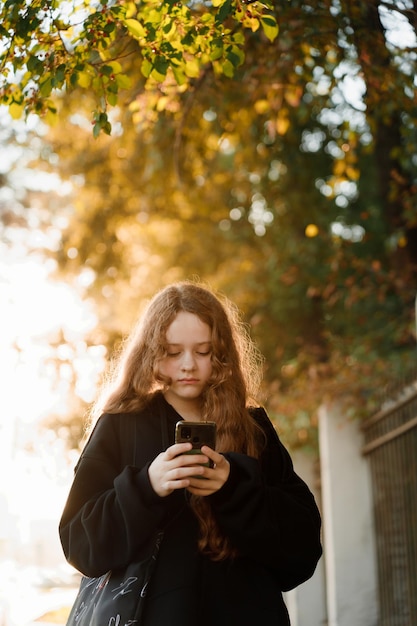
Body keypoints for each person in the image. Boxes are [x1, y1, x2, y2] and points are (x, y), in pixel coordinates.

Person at [59, 281, 322, 626]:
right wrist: (147, 486)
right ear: (152, 352)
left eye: (203, 351)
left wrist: (233, 489)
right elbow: (79, 543)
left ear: (222, 353)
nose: (188, 365)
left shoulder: (252, 425)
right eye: (172, 352)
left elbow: (302, 549)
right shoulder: (122, 424)